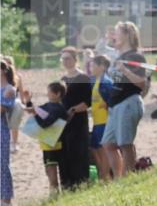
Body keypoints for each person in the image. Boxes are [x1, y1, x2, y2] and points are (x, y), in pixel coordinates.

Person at [103, 21, 146, 177]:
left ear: (127, 35)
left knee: (125, 144)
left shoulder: (135, 56)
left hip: (128, 102)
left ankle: (129, 178)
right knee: (108, 144)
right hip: (116, 105)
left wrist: (125, 70)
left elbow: (141, 83)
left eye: (117, 32)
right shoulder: (120, 56)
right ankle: (119, 178)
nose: (114, 35)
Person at [58, 47, 92, 189]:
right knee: (65, 153)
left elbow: (87, 102)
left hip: (78, 121)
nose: (65, 61)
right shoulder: (63, 79)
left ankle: (80, 182)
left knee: (78, 152)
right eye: (63, 59)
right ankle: (68, 184)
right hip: (64, 123)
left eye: (68, 58)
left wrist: (73, 110)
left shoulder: (83, 78)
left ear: (75, 59)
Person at [27, 82, 68, 195]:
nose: (47, 93)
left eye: (49, 91)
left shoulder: (58, 108)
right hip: (47, 143)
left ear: (57, 94)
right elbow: (35, 109)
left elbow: (45, 124)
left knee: (52, 169)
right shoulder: (49, 105)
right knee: (48, 169)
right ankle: (54, 192)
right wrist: (28, 101)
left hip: (54, 144)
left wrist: (35, 114)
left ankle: (54, 194)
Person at [88, 55, 114, 181]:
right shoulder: (97, 81)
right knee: (95, 148)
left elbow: (114, 100)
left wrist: (108, 103)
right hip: (97, 121)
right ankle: (104, 176)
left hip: (105, 122)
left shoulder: (105, 82)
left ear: (102, 66)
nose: (90, 68)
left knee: (104, 151)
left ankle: (105, 178)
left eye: (93, 65)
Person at [1, 59, 16, 206]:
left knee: (3, 165)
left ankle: (6, 200)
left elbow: (2, 109)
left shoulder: (9, 89)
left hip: (2, 130)